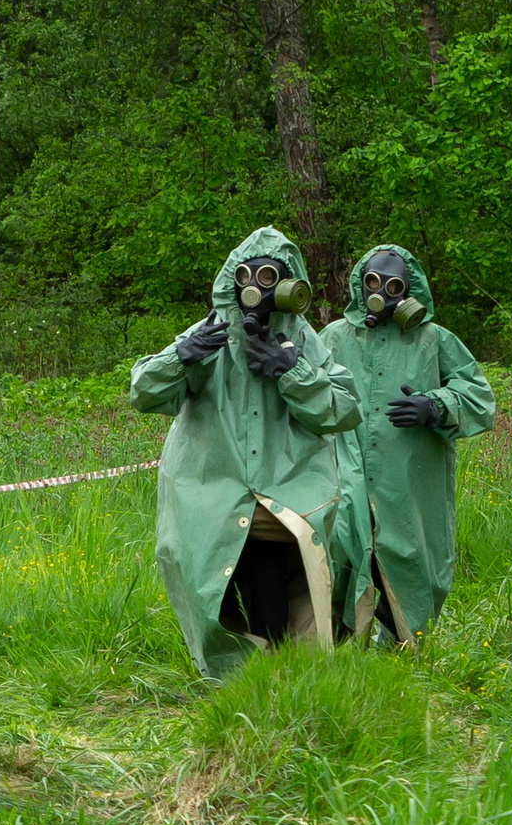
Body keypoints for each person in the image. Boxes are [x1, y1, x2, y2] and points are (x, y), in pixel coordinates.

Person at [128, 227, 364, 679]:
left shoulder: (303, 339)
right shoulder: (212, 333)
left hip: (288, 492)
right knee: (210, 584)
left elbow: (344, 409)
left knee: (280, 572)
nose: (257, 288)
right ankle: (234, 676)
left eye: (271, 277)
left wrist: (294, 373)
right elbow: (142, 392)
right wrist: (183, 357)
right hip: (211, 491)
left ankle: (281, 673)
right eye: (248, 276)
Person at [319, 244, 496, 646]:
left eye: (394, 284)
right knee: (337, 553)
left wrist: (434, 406)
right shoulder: (334, 338)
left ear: (410, 291)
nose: (381, 292)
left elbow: (481, 401)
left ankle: (403, 646)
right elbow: (305, 389)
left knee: (411, 559)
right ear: (359, 286)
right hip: (342, 476)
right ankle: (326, 652)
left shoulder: (433, 341)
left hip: (409, 483)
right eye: (373, 282)